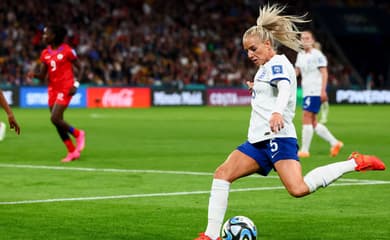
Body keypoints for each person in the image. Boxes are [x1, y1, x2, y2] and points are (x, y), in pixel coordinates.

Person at [194, 5, 386, 240]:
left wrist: (276, 112)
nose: (249, 55)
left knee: (298, 189)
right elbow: (274, 87)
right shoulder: (264, 69)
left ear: (267, 44)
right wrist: (259, 88)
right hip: (257, 141)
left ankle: (354, 163)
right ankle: (211, 236)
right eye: (246, 51)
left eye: (253, 49)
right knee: (222, 173)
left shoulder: (278, 63)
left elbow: (284, 87)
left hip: (278, 137)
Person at [28, 25, 85, 163]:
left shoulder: (67, 50)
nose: (43, 36)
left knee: (54, 118)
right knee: (58, 122)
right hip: (52, 89)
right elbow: (42, 75)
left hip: (65, 87)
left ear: (54, 36)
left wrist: (76, 84)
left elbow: (81, 67)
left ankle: (78, 133)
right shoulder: (45, 53)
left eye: (46, 34)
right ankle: (72, 152)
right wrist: (34, 74)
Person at [295, 30, 342, 158]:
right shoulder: (300, 55)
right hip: (306, 90)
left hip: (314, 91)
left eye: (307, 38)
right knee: (313, 121)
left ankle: (304, 150)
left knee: (306, 117)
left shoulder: (318, 55)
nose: (304, 40)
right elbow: (297, 72)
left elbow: (324, 73)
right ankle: (335, 143)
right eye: (302, 38)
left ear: (312, 40)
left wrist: (323, 90)